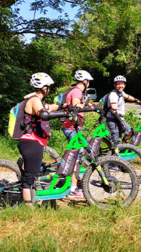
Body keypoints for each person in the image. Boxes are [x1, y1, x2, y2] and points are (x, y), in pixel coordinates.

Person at [18, 72, 69, 205]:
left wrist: (64, 107)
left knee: (33, 174)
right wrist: (61, 114)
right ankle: (28, 206)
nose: (49, 89)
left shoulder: (38, 101)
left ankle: (31, 200)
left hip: (34, 142)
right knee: (29, 177)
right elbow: (44, 114)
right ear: (43, 88)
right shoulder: (34, 100)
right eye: (48, 87)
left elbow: (49, 107)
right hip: (31, 142)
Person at [61, 70, 95, 198]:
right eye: (88, 81)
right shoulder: (77, 91)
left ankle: (75, 181)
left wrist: (87, 105)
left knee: (78, 154)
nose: (89, 83)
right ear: (85, 81)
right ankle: (72, 189)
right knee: (76, 157)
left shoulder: (74, 90)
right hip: (71, 128)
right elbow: (76, 105)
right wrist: (89, 106)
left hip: (73, 127)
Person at [106, 75, 141, 146]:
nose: (120, 86)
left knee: (130, 132)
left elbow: (128, 97)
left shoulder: (120, 93)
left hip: (119, 119)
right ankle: (113, 155)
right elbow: (114, 111)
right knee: (116, 141)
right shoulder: (113, 95)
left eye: (122, 84)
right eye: (118, 84)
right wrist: (121, 122)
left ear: (124, 85)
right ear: (115, 85)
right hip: (113, 120)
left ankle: (122, 148)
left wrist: (138, 101)